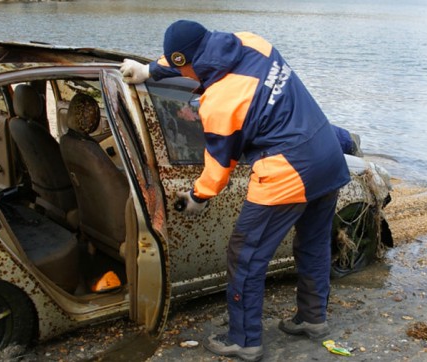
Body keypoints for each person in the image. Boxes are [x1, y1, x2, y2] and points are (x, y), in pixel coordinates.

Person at [120, 20, 350, 361]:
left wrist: (198, 197)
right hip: (327, 154)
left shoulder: (221, 103)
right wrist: (150, 70)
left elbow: (218, 166)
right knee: (313, 244)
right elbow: (190, 59)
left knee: (245, 256)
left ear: (185, 61)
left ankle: (244, 340)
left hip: (288, 170)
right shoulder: (251, 42)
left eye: (182, 65)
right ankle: (312, 320)